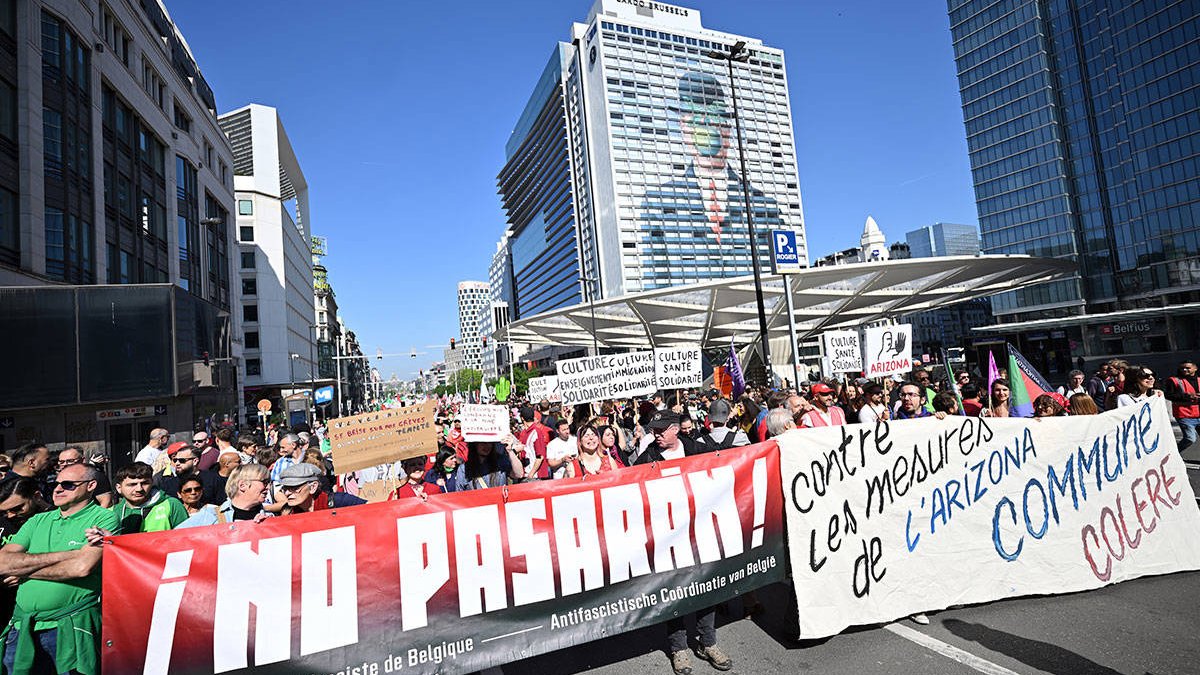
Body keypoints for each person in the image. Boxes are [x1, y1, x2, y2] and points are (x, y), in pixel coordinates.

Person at [0, 463, 118, 675]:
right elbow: (2, 563)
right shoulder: (37, 520)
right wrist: (69, 555)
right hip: (23, 628)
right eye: (56, 484)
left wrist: (22, 568)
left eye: (68, 484)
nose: (58, 489)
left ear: (91, 485)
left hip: (69, 628)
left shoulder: (104, 518)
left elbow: (81, 568)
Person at [178, 464, 273, 527]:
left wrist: (269, 527)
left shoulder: (269, 517)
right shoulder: (211, 516)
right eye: (264, 482)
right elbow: (173, 538)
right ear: (242, 485)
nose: (268, 487)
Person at [111, 462, 188, 533]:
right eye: (132, 484)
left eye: (145, 483)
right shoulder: (112, 512)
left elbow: (187, 538)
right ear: (119, 488)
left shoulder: (172, 505)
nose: (139, 489)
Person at [277, 463, 366, 514]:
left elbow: (374, 510)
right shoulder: (288, 513)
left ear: (313, 487)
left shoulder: (340, 501)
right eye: (285, 488)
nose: (287, 493)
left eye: (294, 488)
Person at [157, 446, 223, 506]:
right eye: (175, 460)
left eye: (181, 460)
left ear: (195, 461)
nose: (177, 463)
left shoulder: (213, 479)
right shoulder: (169, 484)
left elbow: (221, 504)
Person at [458, 440, 525, 491]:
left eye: (490, 442)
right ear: (474, 444)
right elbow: (459, 493)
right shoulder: (464, 468)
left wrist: (510, 451)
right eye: (483, 443)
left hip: (499, 506)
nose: (487, 446)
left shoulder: (500, 461)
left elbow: (519, 474)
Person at [1164, 361, 1200, 446]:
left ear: (1195, 368)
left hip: (1198, 414)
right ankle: (1173, 455)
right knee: (1190, 438)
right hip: (1184, 415)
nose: (1184, 370)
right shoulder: (1174, 380)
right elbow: (1169, 395)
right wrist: (1189, 396)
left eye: (1188, 368)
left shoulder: (1199, 380)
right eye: (1182, 368)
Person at [516, 406, 552, 480]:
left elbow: (540, 456)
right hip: (525, 474)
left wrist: (531, 474)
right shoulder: (523, 432)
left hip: (534, 476)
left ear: (522, 418)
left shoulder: (536, 432)